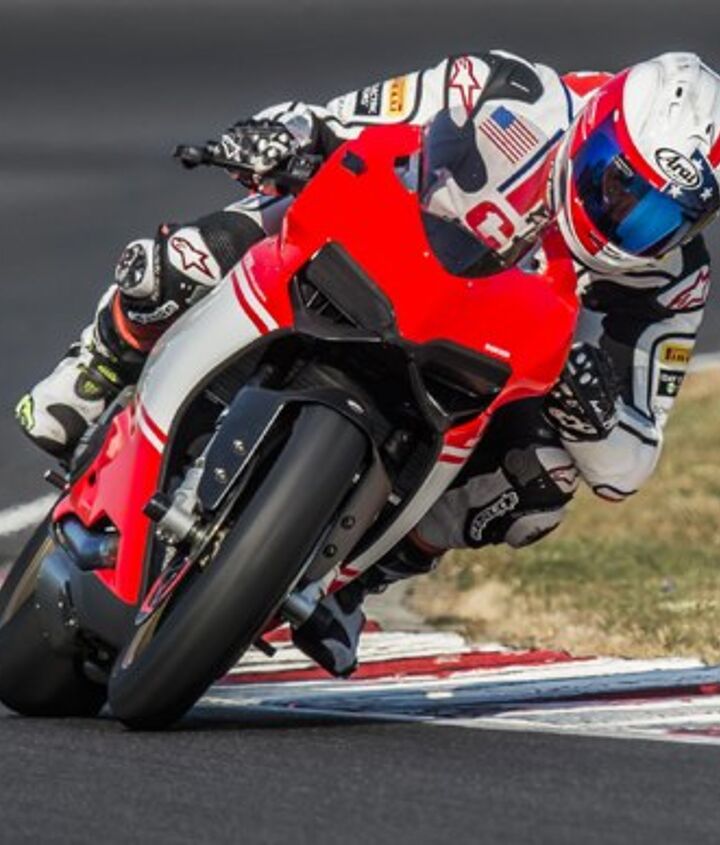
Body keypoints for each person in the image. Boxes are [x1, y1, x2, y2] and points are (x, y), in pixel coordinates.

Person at [16, 51, 720, 676]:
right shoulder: (505, 90)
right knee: (207, 244)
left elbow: (631, 461)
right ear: (596, 129)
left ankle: (357, 578)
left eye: (660, 218)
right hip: (372, 252)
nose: (626, 222)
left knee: (547, 479)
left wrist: (593, 415)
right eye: (618, 185)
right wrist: (284, 135)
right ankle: (97, 366)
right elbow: (342, 118)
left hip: (475, 366)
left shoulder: (674, 281)